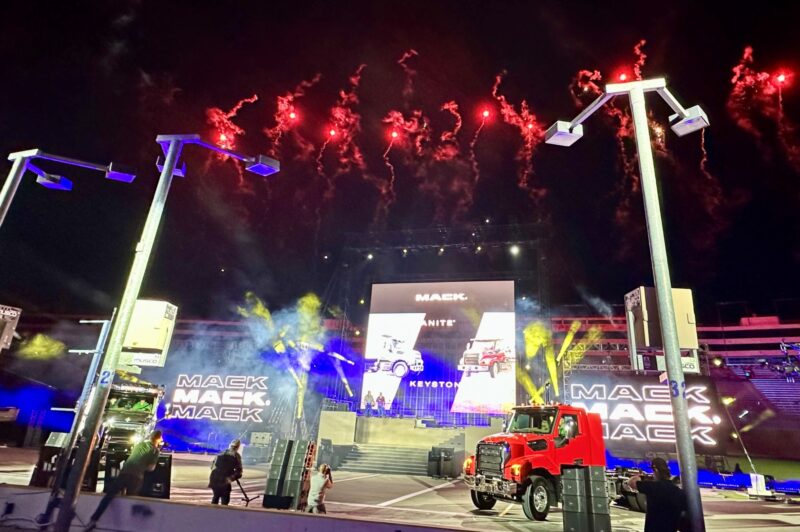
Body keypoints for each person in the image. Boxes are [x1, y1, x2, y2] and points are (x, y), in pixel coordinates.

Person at [86, 430, 162, 531]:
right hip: (136, 477)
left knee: (109, 496)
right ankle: (129, 526)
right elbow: (151, 468)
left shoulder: (139, 444)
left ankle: (93, 520)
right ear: (158, 439)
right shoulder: (155, 451)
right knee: (131, 500)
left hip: (124, 472)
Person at [629, 458, 687, 532]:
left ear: (656, 470)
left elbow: (631, 482)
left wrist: (639, 477)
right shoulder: (678, 491)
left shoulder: (652, 487)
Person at [208, 439, 243, 505]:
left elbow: (212, 467)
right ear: (238, 447)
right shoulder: (236, 456)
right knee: (225, 499)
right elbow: (239, 472)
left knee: (215, 496)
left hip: (214, 478)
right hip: (225, 480)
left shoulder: (221, 453)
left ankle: (212, 510)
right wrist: (231, 478)